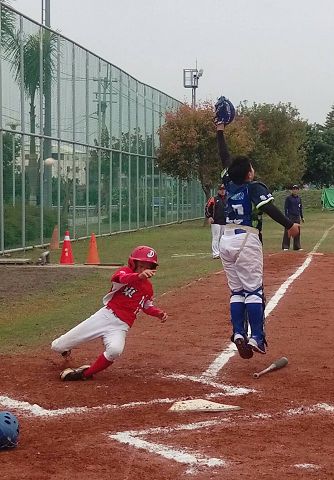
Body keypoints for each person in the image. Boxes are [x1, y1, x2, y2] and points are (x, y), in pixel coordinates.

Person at [214, 96, 300, 359]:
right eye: (251, 168)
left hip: (226, 239)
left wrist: (220, 130)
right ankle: (257, 338)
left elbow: (225, 157)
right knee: (253, 291)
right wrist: (290, 225)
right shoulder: (254, 187)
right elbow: (269, 209)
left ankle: (238, 332)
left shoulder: (229, 184)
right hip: (247, 240)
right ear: (249, 173)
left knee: (237, 291)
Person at [51, 245, 168, 381]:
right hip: (105, 317)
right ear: (133, 263)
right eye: (140, 265)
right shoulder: (125, 272)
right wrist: (138, 276)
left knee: (115, 351)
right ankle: (65, 348)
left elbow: (146, 306)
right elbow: (118, 278)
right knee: (57, 346)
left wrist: (158, 313)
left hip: (121, 326)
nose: (143, 269)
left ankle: (85, 374)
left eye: (147, 266)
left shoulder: (148, 288)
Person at [205, 184, 226, 259]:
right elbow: (207, 207)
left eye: (223, 189)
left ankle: (221, 252)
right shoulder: (214, 198)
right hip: (216, 221)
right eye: (221, 189)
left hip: (224, 221)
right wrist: (209, 216)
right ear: (218, 190)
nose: (222, 191)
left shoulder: (227, 199)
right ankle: (215, 253)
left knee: (223, 237)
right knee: (216, 237)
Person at [282, 185, 304, 251]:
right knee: (288, 231)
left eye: (296, 189)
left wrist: (302, 217)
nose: (295, 190)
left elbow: (300, 208)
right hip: (290, 216)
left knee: (297, 231)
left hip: (297, 216)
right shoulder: (288, 198)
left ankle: (297, 246)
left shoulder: (299, 198)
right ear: (292, 190)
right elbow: (286, 208)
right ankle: (285, 246)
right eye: (294, 189)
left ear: (298, 190)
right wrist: (286, 217)